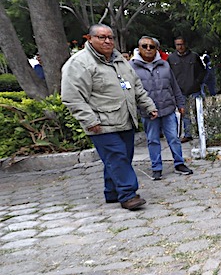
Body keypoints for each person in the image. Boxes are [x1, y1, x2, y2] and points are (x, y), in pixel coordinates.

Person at [61, 24, 158, 211]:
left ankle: (112, 192)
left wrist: (149, 106)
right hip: (101, 123)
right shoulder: (79, 63)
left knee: (121, 158)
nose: (107, 41)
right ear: (89, 39)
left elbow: (135, 86)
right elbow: (71, 96)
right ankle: (128, 195)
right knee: (117, 157)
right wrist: (90, 121)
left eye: (110, 37)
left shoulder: (119, 60)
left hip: (125, 119)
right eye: (101, 37)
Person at [130, 36, 194, 180]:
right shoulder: (131, 67)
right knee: (152, 140)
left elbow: (174, 86)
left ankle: (179, 163)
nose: (148, 49)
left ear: (156, 49)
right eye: (144, 46)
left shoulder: (164, 65)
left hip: (168, 109)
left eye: (151, 47)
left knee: (174, 138)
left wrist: (180, 104)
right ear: (139, 48)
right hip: (148, 113)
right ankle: (156, 168)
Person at [168, 36, 206, 142]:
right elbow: (168, 74)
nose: (180, 47)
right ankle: (188, 134)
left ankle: (201, 132)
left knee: (198, 111)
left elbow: (202, 71)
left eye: (182, 44)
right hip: (180, 90)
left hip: (194, 89)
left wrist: (197, 81)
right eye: (178, 44)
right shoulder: (171, 58)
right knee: (184, 113)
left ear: (185, 44)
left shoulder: (194, 56)